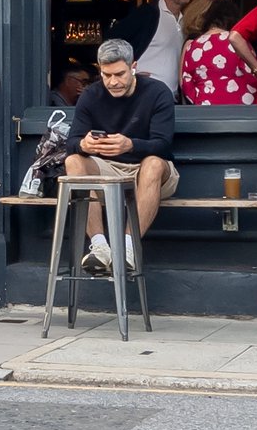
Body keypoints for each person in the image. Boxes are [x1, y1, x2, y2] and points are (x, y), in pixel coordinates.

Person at [66, 39, 179, 277]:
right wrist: (84, 144)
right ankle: (99, 247)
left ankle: (127, 248)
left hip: (148, 168)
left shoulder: (157, 92)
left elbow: (164, 145)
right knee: (73, 161)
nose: (113, 82)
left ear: (134, 66)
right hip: (108, 167)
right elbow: (72, 142)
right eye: (106, 75)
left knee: (154, 163)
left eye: (119, 74)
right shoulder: (90, 95)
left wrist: (130, 145)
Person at [108, 0, 194, 93]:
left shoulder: (187, 21)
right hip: (142, 95)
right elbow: (110, 42)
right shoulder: (147, 13)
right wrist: (128, 74)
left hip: (171, 98)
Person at [178, 0, 257, 105]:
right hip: (239, 106)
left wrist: (199, 99)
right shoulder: (238, 41)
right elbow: (252, 73)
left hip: (205, 106)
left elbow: (186, 82)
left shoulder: (192, 45)